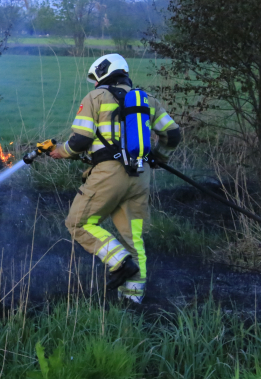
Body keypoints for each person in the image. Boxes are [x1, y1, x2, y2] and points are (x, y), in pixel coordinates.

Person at [49, 54, 181, 303]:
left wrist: (61, 151)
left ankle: (120, 262)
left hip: (108, 174)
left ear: (102, 73)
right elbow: (173, 134)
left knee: (78, 223)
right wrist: (158, 158)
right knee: (133, 237)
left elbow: (81, 140)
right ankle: (133, 299)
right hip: (141, 175)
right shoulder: (148, 100)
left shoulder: (96, 97)